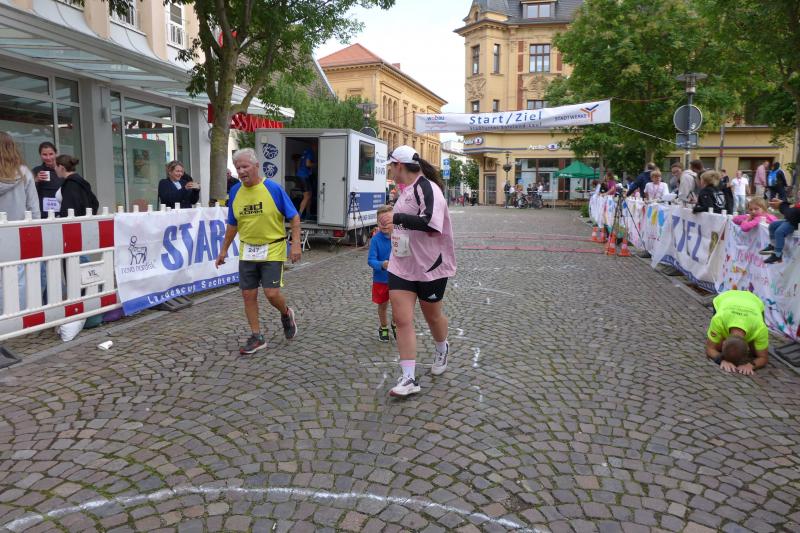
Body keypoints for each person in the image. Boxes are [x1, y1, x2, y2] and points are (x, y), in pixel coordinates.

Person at [385, 145, 456, 397]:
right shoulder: (404, 191)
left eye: (391, 167)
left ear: (399, 165)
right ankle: (408, 378)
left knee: (432, 317)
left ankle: (442, 347)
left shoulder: (428, 188)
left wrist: (397, 220)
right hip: (401, 265)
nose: (390, 171)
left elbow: (431, 223)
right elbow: (403, 225)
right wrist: (389, 227)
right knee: (402, 319)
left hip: (430, 266)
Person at [215, 148, 301, 354]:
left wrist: (296, 244)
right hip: (248, 249)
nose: (241, 171)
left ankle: (286, 313)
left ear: (256, 166)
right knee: (248, 294)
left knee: (271, 294)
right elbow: (233, 224)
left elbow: (294, 216)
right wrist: (223, 250)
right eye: (237, 168)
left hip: (272, 248)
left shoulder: (272, 188)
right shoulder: (235, 191)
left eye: (245, 166)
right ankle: (257, 336)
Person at [0, 132, 40, 314]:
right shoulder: (24, 173)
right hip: (19, 232)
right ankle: (18, 314)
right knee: (20, 276)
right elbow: (33, 207)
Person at [705, 290, 769, 375]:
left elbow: (763, 358)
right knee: (717, 346)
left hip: (754, 300)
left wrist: (751, 365)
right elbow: (709, 348)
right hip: (725, 297)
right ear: (724, 342)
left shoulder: (760, 328)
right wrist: (721, 360)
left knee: (755, 352)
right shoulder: (718, 319)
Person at [368, 205, 396, 342]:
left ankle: (395, 324)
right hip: (381, 279)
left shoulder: (399, 236)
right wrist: (382, 264)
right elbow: (371, 260)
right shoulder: (375, 240)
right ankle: (383, 327)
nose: (384, 225)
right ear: (377, 223)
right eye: (381, 222)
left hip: (397, 279)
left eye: (388, 221)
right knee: (383, 305)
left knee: (398, 305)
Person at [759, 197, 800, 264]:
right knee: (773, 225)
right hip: (790, 220)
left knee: (779, 232)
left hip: (794, 223)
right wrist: (783, 203)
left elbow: (793, 212)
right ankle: (773, 246)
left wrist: (781, 205)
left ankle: (777, 254)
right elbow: (792, 209)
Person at [31, 141, 63, 216]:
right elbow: (29, 193)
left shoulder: (63, 169)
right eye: (44, 154)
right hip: (43, 214)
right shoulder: (36, 170)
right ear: (40, 155)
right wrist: (36, 181)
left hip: (62, 212)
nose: (48, 158)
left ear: (56, 154)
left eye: (51, 154)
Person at [296, 144, 316, 219]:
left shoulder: (306, 151)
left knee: (310, 194)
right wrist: (316, 164)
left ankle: (308, 214)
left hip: (303, 175)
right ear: (314, 145)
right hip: (303, 176)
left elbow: (299, 162)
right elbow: (308, 164)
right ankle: (299, 215)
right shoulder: (310, 152)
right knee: (307, 196)